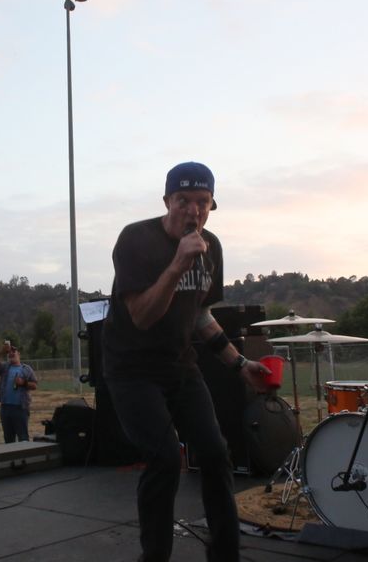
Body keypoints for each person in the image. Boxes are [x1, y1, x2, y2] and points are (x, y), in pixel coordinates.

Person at [101, 162, 267, 562]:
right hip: (131, 369)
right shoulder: (136, 239)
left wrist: (239, 363)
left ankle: (225, 555)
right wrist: (176, 265)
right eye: (183, 201)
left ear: (211, 205)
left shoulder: (212, 247)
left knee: (216, 454)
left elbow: (200, 315)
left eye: (202, 202)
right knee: (164, 458)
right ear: (167, 201)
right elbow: (141, 316)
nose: (193, 211)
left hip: (179, 366)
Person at [0, 342, 38, 443]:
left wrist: (23, 383)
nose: (11, 353)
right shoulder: (5, 368)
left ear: (19, 354)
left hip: (20, 408)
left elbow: (35, 385)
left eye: (14, 351)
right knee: (8, 439)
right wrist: (1, 352)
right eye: (9, 352)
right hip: (5, 408)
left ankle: (24, 453)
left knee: (23, 438)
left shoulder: (26, 369)